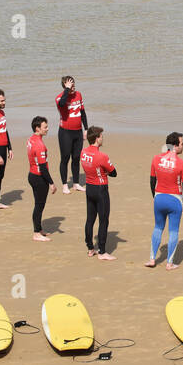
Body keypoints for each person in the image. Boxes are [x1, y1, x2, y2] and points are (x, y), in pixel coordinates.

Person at [148, 132, 183, 270]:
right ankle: (169, 263)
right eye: (182, 143)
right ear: (175, 146)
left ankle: (152, 259)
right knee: (173, 231)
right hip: (174, 201)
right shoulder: (182, 164)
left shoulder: (156, 159)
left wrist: (155, 196)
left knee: (158, 228)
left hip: (159, 198)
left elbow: (152, 181)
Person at [80, 126, 117, 259]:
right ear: (96, 138)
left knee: (90, 219)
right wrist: (104, 171)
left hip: (89, 188)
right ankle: (102, 252)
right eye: (101, 136)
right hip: (101, 190)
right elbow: (114, 173)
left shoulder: (83, 152)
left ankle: (90, 248)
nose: (102, 138)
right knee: (103, 220)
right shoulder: (102, 156)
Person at [26, 116, 58, 242]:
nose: (47, 129)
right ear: (37, 128)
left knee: (39, 204)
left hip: (32, 175)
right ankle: (36, 233)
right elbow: (43, 167)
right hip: (39, 178)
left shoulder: (31, 139)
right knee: (39, 206)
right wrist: (51, 183)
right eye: (45, 127)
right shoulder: (39, 145)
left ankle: (39, 229)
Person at [54, 76, 88, 193]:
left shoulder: (78, 95)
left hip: (78, 132)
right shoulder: (59, 98)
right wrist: (67, 90)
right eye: (70, 85)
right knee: (65, 158)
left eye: (73, 85)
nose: (73, 87)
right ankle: (64, 185)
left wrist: (86, 129)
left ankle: (76, 183)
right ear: (64, 86)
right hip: (65, 133)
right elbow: (63, 104)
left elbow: (83, 112)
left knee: (76, 157)